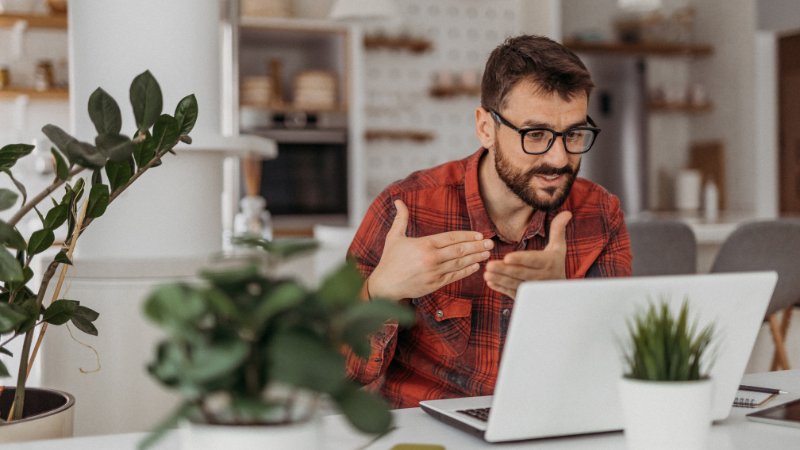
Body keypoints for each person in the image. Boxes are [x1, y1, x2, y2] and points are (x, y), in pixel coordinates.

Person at [346, 34, 632, 408]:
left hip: (544, 426)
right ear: (486, 128)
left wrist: (564, 303)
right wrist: (381, 290)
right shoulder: (406, 209)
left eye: (574, 134)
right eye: (536, 134)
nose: (560, 159)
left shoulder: (599, 214)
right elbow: (336, 375)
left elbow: (617, 367)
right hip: (427, 433)